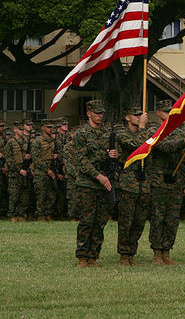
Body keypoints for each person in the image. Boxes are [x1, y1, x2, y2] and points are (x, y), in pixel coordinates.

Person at [148, 99, 185, 265]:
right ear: (159, 113)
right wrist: (184, 142)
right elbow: (164, 146)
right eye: (166, 111)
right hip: (159, 181)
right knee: (158, 218)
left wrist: (184, 184)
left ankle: (167, 252)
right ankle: (156, 253)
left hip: (175, 182)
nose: (170, 114)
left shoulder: (179, 131)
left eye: (172, 111)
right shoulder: (154, 130)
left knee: (172, 219)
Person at [74, 100, 118, 268]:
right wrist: (98, 176)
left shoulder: (108, 132)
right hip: (88, 184)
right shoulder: (82, 134)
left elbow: (112, 156)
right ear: (89, 113)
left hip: (104, 184)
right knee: (87, 221)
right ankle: (82, 256)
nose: (100, 116)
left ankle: (93, 255)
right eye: (97, 113)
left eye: (102, 113)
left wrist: (115, 154)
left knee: (100, 222)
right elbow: (81, 160)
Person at [115, 105, 151, 266]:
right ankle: (124, 254)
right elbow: (138, 146)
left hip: (143, 182)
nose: (139, 117)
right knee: (126, 221)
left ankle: (132, 252)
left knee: (139, 221)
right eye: (135, 115)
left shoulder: (145, 133)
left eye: (140, 115)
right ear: (128, 117)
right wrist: (143, 127)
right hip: (128, 182)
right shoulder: (122, 134)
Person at [4, 121, 31, 223]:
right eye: (20, 129)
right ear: (15, 130)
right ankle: (12, 215)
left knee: (24, 196)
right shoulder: (11, 142)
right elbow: (8, 158)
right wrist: (18, 170)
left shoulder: (26, 141)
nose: (22, 131)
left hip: (25, 172)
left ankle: (21, 215)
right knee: (14, 196)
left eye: (23, 129)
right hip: (15, 173)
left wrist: (28, 157)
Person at [32, 119, 58, 222]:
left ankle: (48, 214)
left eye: (51, 127)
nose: (50, 129)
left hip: (52, 170)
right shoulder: (37, 141)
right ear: (43, 128)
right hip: (41, 172)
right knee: (41, 195)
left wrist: (57, 156)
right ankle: (40, 215)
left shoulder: (54, 141)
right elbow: (35, 158)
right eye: (48, 127)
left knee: (52, 194)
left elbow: (60, 152)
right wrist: (47, 170)